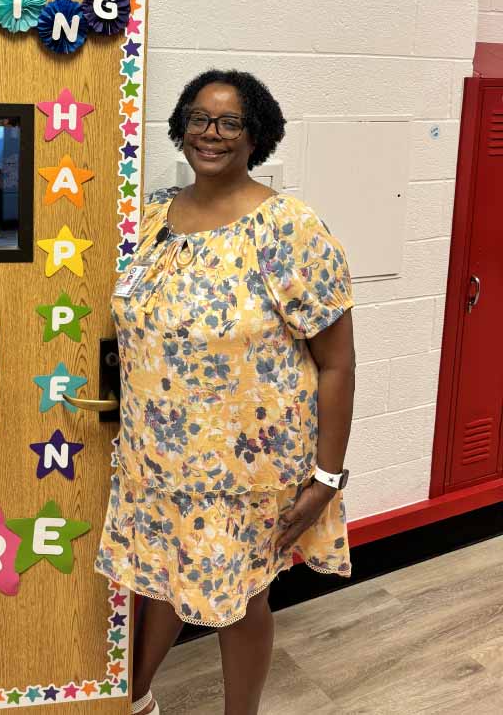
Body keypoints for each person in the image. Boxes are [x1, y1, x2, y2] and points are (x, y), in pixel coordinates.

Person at [94, 69, 356, 715]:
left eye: (229, 121)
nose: (210, 133)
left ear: (256, 133)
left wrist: (326, 475)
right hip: (155, 462)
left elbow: (338, 362)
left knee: (239, 600)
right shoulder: (152, 215)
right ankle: (135, 696)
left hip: (245, 468)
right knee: (159, 580)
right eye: (199, 118)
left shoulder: (288, 227)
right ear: (180, 126)